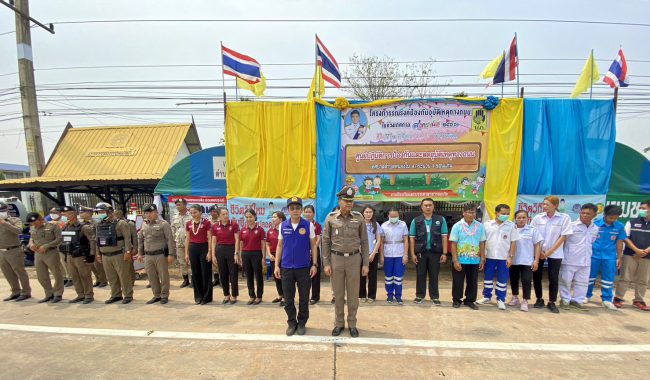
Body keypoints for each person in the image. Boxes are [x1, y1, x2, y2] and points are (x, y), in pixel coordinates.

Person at [322, 186, 369, 338]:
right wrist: (326, 263)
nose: (349, 203)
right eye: (346, 200)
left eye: (351, 200)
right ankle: (339, 323)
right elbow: (326, 242)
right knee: (338, 294)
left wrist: (366, 264)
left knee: (354, 294)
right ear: (339, 201)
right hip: (336, 259)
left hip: (355, 259)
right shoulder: (330, 218)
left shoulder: (359, 218)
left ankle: (352, 324)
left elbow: (364, 241)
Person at [274, 197, 318, 336]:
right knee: (288, 298)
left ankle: (302, 323)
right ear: (288, 210)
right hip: (286, 267)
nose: (295, 211)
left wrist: (314, 264)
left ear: (301, 210)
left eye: (298, 208)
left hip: (304, 267)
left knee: (304, 298)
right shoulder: (283, 225)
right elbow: (280, 246)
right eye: (292, 208)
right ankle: (292, 323)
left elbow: (313, 245)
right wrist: (276, 265)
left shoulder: (308, 225)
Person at [531, 195, 573, 314]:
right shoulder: (538, 218)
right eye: (543, 204)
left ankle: (552, 301)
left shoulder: (564, 218)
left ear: (555, 206)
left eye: (547, 205)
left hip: (555, 253)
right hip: (539, 252)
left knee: (553, 277)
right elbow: (533, 235)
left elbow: (563, 236)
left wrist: (549, 252)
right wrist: (540, 252)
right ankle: (539, 299)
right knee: (537, 276)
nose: (544, 206)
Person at [477, 204, 520, 310]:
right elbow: (482, 241)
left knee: (502, 279)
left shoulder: (511, 226)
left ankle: (501, 299)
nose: (505, 215)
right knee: (487, 278)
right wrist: (482, 255)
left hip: (503, 257)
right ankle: (487, 296)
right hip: (489, 256)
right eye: (503, 213)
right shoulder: (487, 225)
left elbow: (513, 242)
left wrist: (511, 257)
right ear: (496, 213)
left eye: (507, 214)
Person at [559, 203, 599, 312]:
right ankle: (565, 300)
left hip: (586, 261)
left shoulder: (595, 228)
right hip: (570, 259)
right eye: (583, 213)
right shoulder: (571, 226)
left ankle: (577, 300)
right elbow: (563, 241)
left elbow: (592, 242)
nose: (585, 215)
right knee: (565, 281)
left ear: (594, 215)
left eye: (588, 214)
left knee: (582, 282)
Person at [586, 205, 627, 310]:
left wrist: (619, 257)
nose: (613, 220)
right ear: (604, 215)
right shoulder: (595, 224)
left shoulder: (619, 226)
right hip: (593, 255)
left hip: (610, 257)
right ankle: (587, 295)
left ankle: (607, 300)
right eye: (610, 218)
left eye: (615, 218)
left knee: (608, 279)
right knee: (589, 277)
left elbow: (619, 242)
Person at [410, 198, 448, 305]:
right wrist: (412, 254)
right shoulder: (416, 221)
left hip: (435, 252)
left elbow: (444, 237)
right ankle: (419, 295)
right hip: (421, 252)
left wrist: (444, 253)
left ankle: (434, 297)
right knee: (420, 274)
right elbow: (412, 238)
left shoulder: (440, 220)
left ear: (433, 206)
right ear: (421, 207)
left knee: (434, 274)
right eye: (425, 205)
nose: (428, 207)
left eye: (430, 205)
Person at [94, 202, 134, 304]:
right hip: (105, 255)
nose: (100, 214)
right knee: (111, 277)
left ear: (110, 212)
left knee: (123, 276)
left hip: (119, 254)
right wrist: (98, 253)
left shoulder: (121, 223)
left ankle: (128, 295)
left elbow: (127, 238)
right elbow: (97, 240)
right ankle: (116, 294)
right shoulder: (99, 224)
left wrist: (128, 251)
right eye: (99, 212)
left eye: (102, 212)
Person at [614, 199, 650, 311]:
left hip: (647, 257)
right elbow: (625, 237)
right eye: (640, 208)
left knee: (643, 280)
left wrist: (646, 251)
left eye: (644, 208)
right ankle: (618, 298)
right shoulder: (631, 222)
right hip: (630, 254)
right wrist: (636, 250)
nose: (641, 210)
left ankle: (639, 300)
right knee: (625, 277)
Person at [449, 204, 486, 310]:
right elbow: (453, 243)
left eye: (473, 212)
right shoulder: (457, 226)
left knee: (473, 281)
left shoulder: (480, 226)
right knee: (458, 281)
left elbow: (482, 242)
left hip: (474, 259)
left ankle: (469, 300)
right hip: (460, 259)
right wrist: (455, 260)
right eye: (469, 212)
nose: (471, 214)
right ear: (463, 213)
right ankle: (456, 300)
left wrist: (482, 258)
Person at [137, 204, 175, 304]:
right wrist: (140, 253)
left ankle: (164, 295)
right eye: (146, 213)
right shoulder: (144, 224)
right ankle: (156, 295)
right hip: (148, 255)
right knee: (151, 276)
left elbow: (170, 239)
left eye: (150, 213)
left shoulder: (163, 224)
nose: (148, 215)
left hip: (160, 255)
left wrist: (171, 254)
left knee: (163, 276)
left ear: (156, 213)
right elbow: (140, 239)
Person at [59, 205, 97, 304]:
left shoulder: (83, 227)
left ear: (73, 214)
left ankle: (88, 295)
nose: (65, 216)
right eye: (64, 214)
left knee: (85, 276)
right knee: (74, 276)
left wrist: (91, 255)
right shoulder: (65, 227)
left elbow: (92, 240)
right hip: (69, 255)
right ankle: (80, 294)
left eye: (67, 214)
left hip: (81, 256)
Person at [509, 210, 543, 312]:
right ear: (515, 219)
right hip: (513, 260)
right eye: (519, 218)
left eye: (524, 217)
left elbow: (537, 245)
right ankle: (515, 297)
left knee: (527, 280)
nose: (521, 220)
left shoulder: (533, 230)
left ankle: (525, 300)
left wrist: (536, 260)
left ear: (527, 218)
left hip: (527, 261)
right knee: (513, 280)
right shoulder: (511, 229)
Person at [27, 212, 64, 303]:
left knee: (57, 273)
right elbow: (31, 237)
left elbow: (59, 239)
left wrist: (47, 245)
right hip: (38, 253)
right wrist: (31, 244)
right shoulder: (32, 227)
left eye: (36, 223)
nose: (34, 225)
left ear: (41, 219)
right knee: (41, 275)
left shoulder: (53, 226)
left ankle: (58, 293)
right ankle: (49, 293)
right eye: (32, 224)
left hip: (51, 252)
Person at [0, 201, 31, 302]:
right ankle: (15, 291)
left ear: (7, 209)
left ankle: (26, 292)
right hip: (1, 251)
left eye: (3, 209)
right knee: (7, 273)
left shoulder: (14, 220)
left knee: (19, 271)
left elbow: (18, 231)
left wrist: (4, 223)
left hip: (13, 249)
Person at [211, 207, 240, 304]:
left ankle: (234, 295)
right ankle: (226, 295)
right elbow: (213, 241)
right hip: (220, 250)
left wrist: (236, 253)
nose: (226, 216)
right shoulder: (215, 226)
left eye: (227, 214)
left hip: (231, 249)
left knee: (233, 273)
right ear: (219, 216)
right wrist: (213, 255)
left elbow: (237, 240)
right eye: (223, 214)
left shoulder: (234, 224)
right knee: (223, 273)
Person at [380, 208, 409, 305]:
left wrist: (405, 255)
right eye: (391, 216)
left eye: (395, 216)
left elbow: (406, 240)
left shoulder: (403, 225)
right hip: (387, 254)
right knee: (388, 276)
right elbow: (381, 242)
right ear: (388, 216)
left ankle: (398, 296)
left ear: (398, 216)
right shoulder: (384, 225)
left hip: (399, 254)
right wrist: (382, 256)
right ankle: (389, 295)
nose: (393, 218)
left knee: (398, 276)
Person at [186, 204, 213, 305]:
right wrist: (186, 253)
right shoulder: (188, 223)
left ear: (200, 212)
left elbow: (210, 238)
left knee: (205, 272)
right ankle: (198, 296)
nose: (193, 214)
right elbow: (187, 239)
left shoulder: (206, 223)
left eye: (195, 212)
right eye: (191, 212)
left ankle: (207, 297)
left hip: (204, 248)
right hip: (193, 248)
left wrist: (210, 252)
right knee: (195, 273)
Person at [239, 209, 266, 305]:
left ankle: (259, 296)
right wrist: (240, 256)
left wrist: (263, 257)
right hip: (246, 254)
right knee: (249, 276)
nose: (249, 219)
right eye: (247, 217)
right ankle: (251, 296)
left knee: (258, 276)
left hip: (257, 254)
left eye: (250, 216)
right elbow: (241, 244)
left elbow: (263, 245)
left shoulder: (260, 229)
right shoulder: (243, 230)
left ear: (255, 217)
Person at [360, 205, 383, 303]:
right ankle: (361, 295)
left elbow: (378, 240)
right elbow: (356, 240)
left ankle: (371, 296)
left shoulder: (376, 224)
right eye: (366, 212)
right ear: (363, 213)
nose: (368, 214)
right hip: (361, 254)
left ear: (373, 213)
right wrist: (362, 253)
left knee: (372, 276)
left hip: (373, 254)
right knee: (362, 275)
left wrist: (373, 253)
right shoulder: (359, 224)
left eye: (370, 212)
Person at [79, 206, 107, 288]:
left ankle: (103, 280)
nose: (80, 214)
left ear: (89, 213)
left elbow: (99, 236)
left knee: (97, 264)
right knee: (90, 264)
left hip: (95, 246)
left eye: (82, 212)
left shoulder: (96, 223)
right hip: (86, 246)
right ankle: (98, 279)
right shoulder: (81, 224)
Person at [47, 207, 73, 288]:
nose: (53, 214)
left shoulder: (65, 220)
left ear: (60, 213)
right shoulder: (49, 222)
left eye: (54, 212)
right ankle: (63, 277)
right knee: (58, 263)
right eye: (51, 212)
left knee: (65, 262)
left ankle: (71, 278)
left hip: (64, 244)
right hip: (54, 245)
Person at [303, 205, 323, 305]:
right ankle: (305, 296)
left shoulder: (317, 225)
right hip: (303, 253)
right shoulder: (301, 225)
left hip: (315, 252)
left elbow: (318, 238)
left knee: (315, 275)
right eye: (306, 212)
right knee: (304, 276)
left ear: (313, 213)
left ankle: (315, 297)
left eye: (309, 212)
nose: (308, 214)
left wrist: (313, 249)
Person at [171, 198, 193, 288]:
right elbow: (173, 229)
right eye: (176, 205)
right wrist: (174, 239)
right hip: (179, 243)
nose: (178, 206)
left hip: (190, 242)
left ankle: (193, 280)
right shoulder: (175, 216)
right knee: (182, 262)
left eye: (179, 204)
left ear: (185, 205)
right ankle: (185, 280)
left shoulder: (191, 216)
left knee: (191, 262)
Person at [114, 210, 138, 286]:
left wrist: (135, 248)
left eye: (115, 214)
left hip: (128, 247)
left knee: (130, 265)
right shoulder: (115, 224)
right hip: (119, 248)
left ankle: (132, 280)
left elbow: (134, 236)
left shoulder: (130, 223)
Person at [267, 211, 286, 306]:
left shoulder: (285, 230)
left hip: (284, 256)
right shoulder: (270, 230)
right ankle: (280, 295)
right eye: (272, 217)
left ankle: (286, 297)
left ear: (281, 219)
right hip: (273, 256)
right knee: (276, 277)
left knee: (284, 277)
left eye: (275, 217)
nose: (273, 219)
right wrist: (269, 254)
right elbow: (268, 244)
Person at [207, 205, 222, 287]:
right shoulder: (208, 221)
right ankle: (216, 279)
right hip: (211, 243)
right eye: (212, 211)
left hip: (220, 243)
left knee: (221, 262)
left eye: (215, 211)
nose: (214, 213)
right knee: (213, 262)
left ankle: (222, 279)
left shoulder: (221, 220)